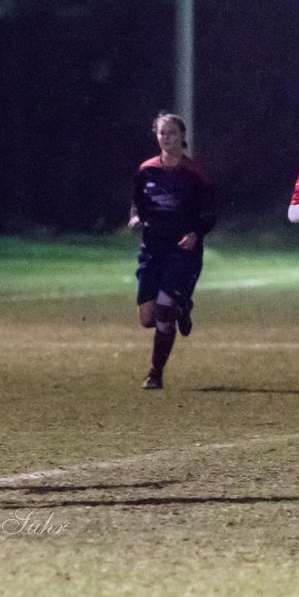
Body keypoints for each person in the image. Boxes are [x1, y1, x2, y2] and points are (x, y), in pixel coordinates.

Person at [128, 112, 215, 390]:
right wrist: (134, 219)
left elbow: (210, 212)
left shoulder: (194, 173)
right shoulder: (146, 171)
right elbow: (136, 205)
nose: (167, 138)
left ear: (182, 137)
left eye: (172, 133)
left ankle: (155, 372)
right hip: (153, 250)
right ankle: (182, 307)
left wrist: (195, 233)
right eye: (162, 133)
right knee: (148, 318)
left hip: (182, 251)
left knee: (165, 311)